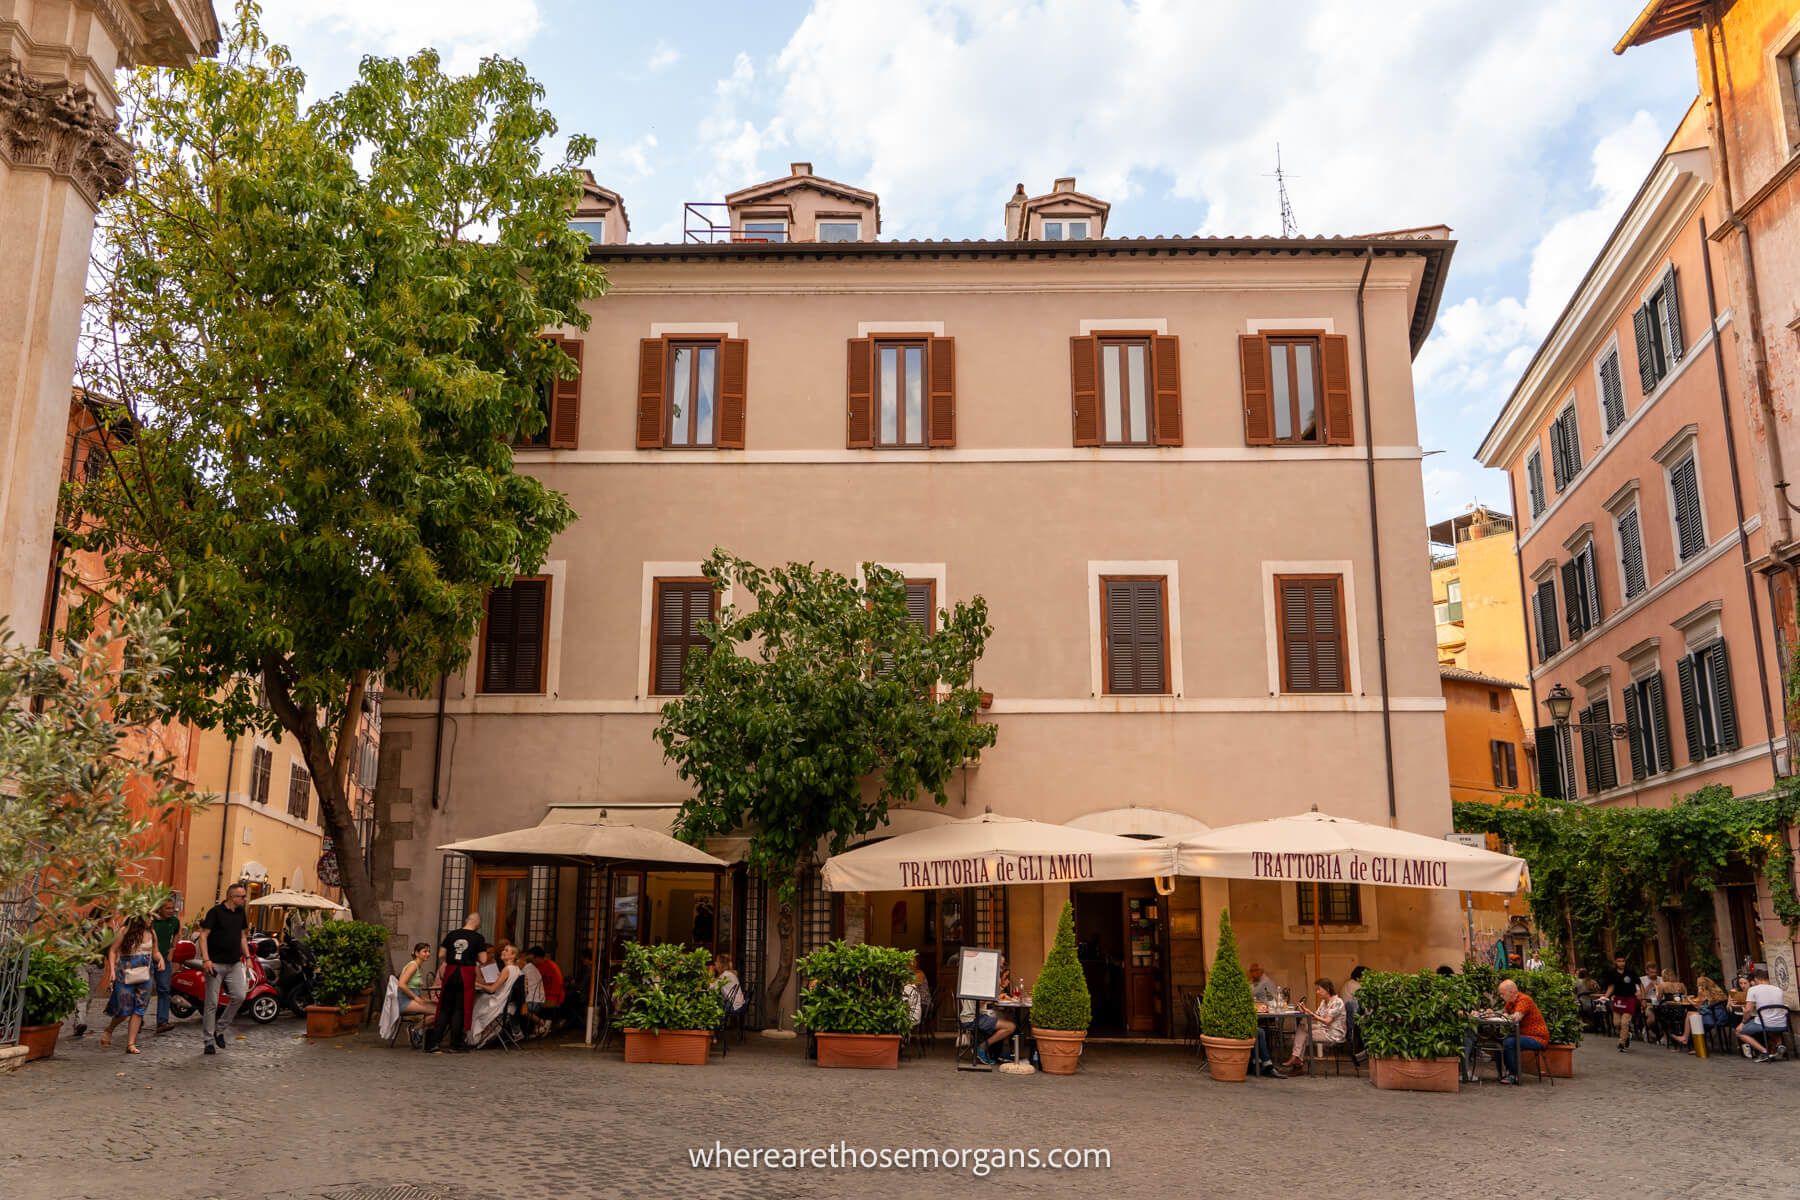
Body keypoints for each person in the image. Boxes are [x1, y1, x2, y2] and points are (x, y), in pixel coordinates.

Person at [198, 884, 251, 1056]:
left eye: (244, 896)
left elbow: (243, 936)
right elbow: (203, 936)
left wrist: (248, 957)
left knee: (240, 995)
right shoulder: (215, 912)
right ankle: (208, 1041)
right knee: (211, 1003)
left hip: (234, 963)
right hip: (215, 964)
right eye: (241, 896)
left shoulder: (241, 913)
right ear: (231, 897)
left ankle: (219, 1029)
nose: (244, 899)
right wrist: (206, 960)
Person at [99, 913, 164, 1055]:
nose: (151, 919)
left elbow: (155, 952)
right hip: (124, 975)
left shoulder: (152, 932)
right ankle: (109, 1029)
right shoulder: (124, 931)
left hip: (145, 976)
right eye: (148, 916)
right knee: (124, 1011)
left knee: (139, 1009)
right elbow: (113, 950)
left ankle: (130, 1044)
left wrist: (161, 959)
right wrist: (112, 971)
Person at [429, 914, 486, 1053]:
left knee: (444, 1008)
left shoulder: (452, 934)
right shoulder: (478, 938)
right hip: (466, 973)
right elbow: (483, 959)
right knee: (459, 1009)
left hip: (450, 972)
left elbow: (441, 954)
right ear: (476, 922)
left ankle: (435, 1043)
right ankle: (455, 1044)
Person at [1282, 978, 1346, 1073]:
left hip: (1333, 1033)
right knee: (1302, 1026)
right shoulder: (1324, 1002)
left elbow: (1327, 1021)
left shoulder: (1337, 1002)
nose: (1317, 992)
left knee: (1305, 1036)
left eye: (1319, 989)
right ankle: (1296, 1059)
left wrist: (1311, 1014)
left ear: (1327, 989)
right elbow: (1316, 1017)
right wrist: (1306, 1011)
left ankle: (1297, 1063)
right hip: (1324, 1028)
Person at [1494, 978, 1549, 1084]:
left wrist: (1504, 1015)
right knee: (1500, 1040)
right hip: (1523, 1035)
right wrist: (1492, 1012)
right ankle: (1503, 1073)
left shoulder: (1524, 999)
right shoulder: (1510, 1002)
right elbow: (1503, 1012)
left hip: (1537, 1038)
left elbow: (1516, 1017)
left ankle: (1513, 1075)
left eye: (1502, 994)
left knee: (1509, 1042)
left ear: (1511, 992)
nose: (1501, 996)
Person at [470, 943, 523, 1047]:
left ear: (513, 956)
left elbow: (492, 989)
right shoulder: (516, 969)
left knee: (477, 1000)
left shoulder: (507, 969)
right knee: (480, 999)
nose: (503, 951)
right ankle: (480, 1036)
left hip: (499, 1003)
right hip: (506, 1001)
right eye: (503, 950)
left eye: (506, 950)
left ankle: (474, 1038)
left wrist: (477, 984)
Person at [1737, 968, 1790, 1062]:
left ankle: (1765, 1052)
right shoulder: (1778, 989)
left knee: (1739, 1032)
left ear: (1756, 979)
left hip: (1765, 1023)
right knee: (1769, 1025)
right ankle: (1779, 1044)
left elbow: (1748, 1010)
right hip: (1782, 1023)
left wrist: (1743, 1023)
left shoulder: (1753, 990)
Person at [974, 955, 1017, 1066]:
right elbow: (984, 1001)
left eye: (1002, 965)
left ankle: (1003, 1052)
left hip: (980, 1013)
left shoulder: (985, 977)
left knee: (1008, 1017)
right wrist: (1000, 985)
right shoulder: (986, 979)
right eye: (1000, 965)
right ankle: (983, 1047)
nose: (1001, 968)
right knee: (1010, 1025)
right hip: (976, 1016)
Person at [1670, 976, 1731, 1051]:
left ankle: (1685, 1038)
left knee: (1689, 1014)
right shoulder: (1717, 992)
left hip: (1711, 1019)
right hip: (1721, 1017)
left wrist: (1689, 999)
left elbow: (1697, 1006)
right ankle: (1688, 1039)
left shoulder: (1702, 992)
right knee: (1692, 1015)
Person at [149, 895, 180, 1036]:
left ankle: (162, 1022)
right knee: (144, 990)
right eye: (167, 908)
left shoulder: (174, 921)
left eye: (172, 908)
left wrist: (173, 948)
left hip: (165, 960)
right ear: (159, 909)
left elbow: (177, 933)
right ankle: (137, 1018)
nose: (171, 911)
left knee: (164, 989)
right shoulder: (151, 921)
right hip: (147, 959)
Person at [1599, 953, 1640, 1052]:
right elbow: (1611, 986)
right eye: (1619, 961)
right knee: (1617, 1023)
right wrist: (1605, 996)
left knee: (1624, 1022)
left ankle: (1621, 1042)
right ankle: (1627, 1035)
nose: (1621, 963)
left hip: (1630, 999)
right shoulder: (1612, 973)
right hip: (1618, 999)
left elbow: (1639, 984)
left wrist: (1640, 997)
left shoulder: (1630, 972)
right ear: (1615, 962)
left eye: (1623, 961)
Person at [396, 943, 437, 1017]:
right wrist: (416, 998)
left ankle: (418, 1028)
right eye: (425, 951)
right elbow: (401, 984)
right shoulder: (413, 966)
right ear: (417, 953)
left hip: (412, 999)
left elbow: (415, 989)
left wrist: (428, 1000)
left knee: (439, 1007)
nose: (428, 954)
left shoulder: (418, 966)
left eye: (429, 951)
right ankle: (415, 1028)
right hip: (405, 1001)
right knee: (439, 1012)